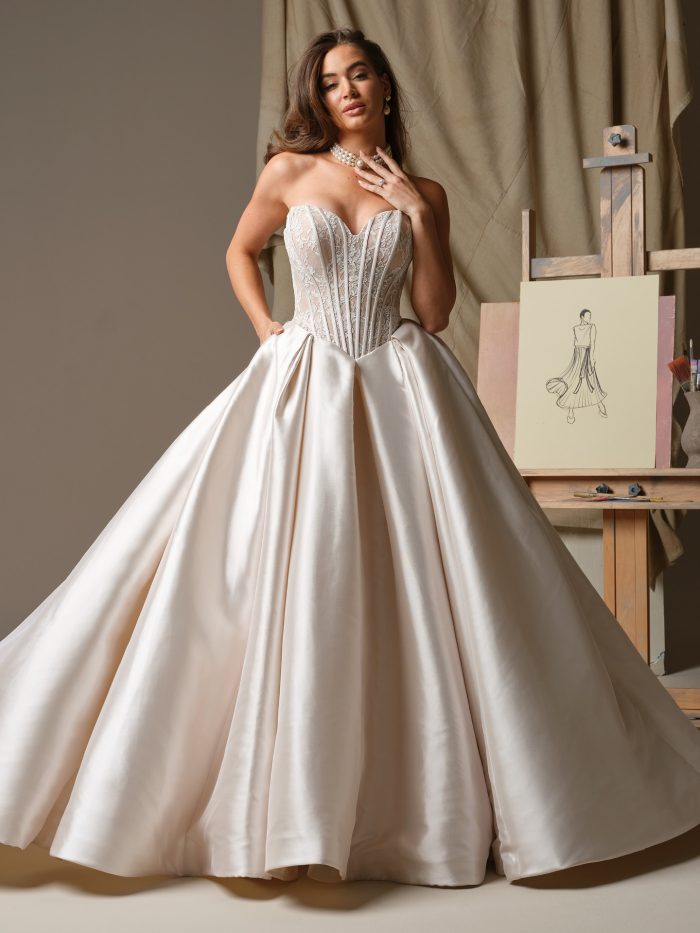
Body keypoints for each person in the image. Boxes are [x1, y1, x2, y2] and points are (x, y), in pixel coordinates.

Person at [1, 26, 699, 890]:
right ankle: (271, 804)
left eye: (359, 75)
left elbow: (434, 312)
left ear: (385, 87)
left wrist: (417, 214)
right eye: (331, 82)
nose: (347, 91)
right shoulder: (289, 173)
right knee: (266, 569)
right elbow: (239, 250)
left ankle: (417, 806)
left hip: (402, 385)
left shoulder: (425, 191)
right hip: (303, 383)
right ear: (319, 99)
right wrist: (267, 327)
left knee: (431, 578)